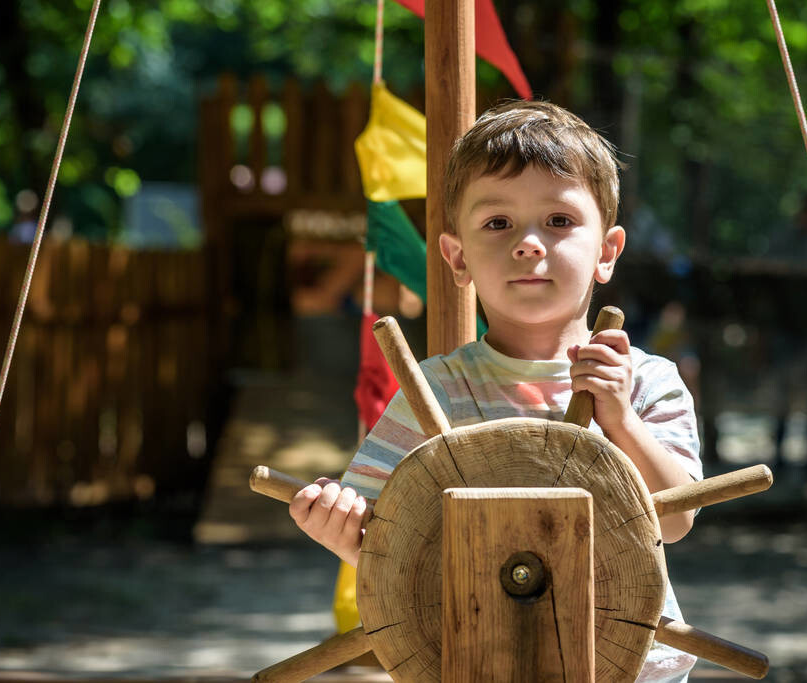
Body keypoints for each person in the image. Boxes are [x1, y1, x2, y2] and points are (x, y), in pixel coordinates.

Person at [289, 101, 702, 682]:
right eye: (498, 223)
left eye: (558, 221)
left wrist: (622, 422)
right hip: (475, 657)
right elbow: (389, 537)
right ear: (457, 257)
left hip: (625, 664)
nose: (529, 243)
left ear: (607, 251)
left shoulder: (647, 381)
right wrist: (340, 530)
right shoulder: (433, 390)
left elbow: (676, 521)